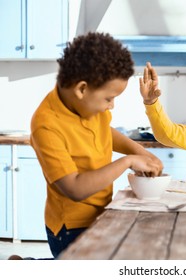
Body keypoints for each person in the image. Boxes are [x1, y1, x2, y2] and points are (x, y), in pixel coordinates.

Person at [30, 33, 163, 259]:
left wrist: (141, 152)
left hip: (101, 212)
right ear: (82, 89)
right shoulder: (46, 125)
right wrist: (128, 161)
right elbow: (75, 188)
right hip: (71, 227)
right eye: (109, 98)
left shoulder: (86, 106)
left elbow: (106, 132)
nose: (111, 106)